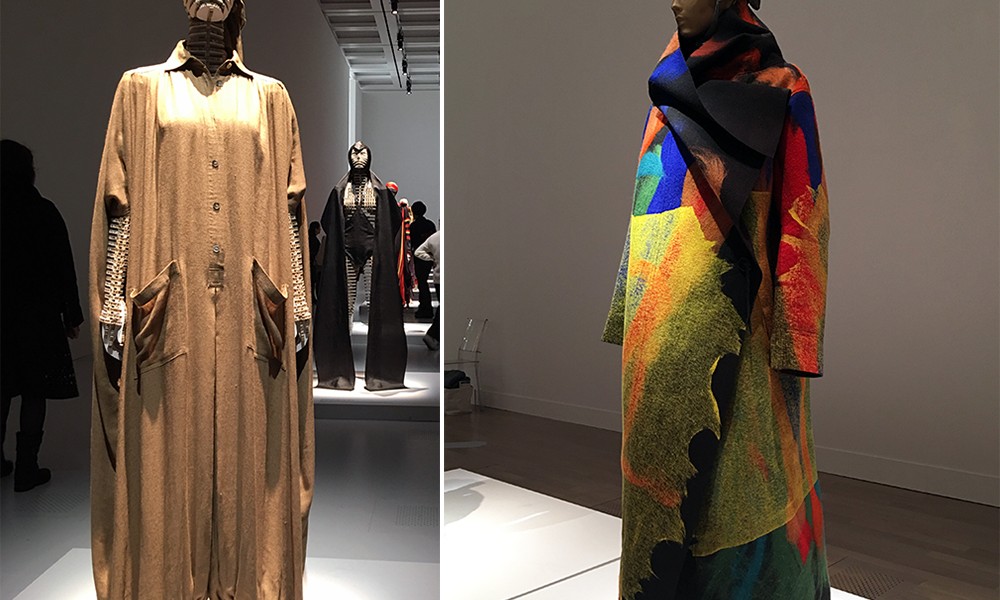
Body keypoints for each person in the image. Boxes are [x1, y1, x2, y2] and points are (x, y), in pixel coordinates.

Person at [602, 1, 831, 598]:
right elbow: (647, 201)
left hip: (745, 324)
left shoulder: (784, 89)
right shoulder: (666, 86)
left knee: (743, 485)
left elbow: (805, 216)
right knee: (658, 475)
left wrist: (797, 338)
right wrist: (629, 305)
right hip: (660, 321)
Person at [1, 139, 84, 492]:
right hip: (37, 317)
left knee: (1, 389)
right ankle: (27, 468)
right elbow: (63, 266)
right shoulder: (43, 212)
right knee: (34, 391)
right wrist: (71, 315)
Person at [409, 201, 437, 319]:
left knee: (422, 283)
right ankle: (426, 308)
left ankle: (425, 308)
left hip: (419, 257)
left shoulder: (413, 226)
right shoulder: (430, 224)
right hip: (430, 256)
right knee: (423, 282)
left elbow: (414, 243)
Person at [414, 231, 440, 350]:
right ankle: (432, 334)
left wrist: (431, 258)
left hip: (438, 277)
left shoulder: (434, 237)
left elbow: (418, 252)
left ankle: (434, 335)